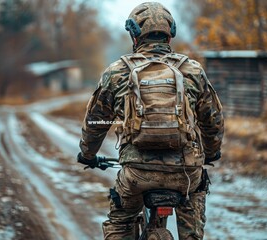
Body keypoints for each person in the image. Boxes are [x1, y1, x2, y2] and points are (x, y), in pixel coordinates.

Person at [77, 2, 224, 239]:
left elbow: (96, 121)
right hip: (185, 173)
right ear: (170, 34)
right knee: (194, 212)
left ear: (134, 35)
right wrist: (211, 151)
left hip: (137, 174)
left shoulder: (117, 72)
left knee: (120, 222)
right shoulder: (193, 70)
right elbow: (212, 120)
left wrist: (88, 154)